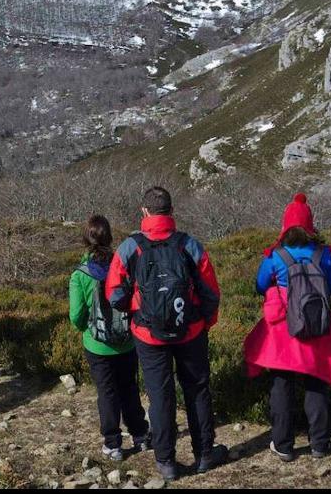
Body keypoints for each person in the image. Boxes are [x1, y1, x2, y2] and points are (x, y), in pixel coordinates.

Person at [105, 187, 227, 481]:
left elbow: (113, 293)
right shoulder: (189, 245)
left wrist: (136, 308)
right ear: (172, 211)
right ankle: (204, 454)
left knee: (160, 396)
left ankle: (167, 461)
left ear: (144, 212)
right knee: (197, 389)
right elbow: (211, 290)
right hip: (191, 330)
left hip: (149, 336)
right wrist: (206, 321)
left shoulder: (129, 247)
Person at [243, 193, 331, 462]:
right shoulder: (323, 254)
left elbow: (260, 285)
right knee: (316, 382)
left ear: (285, 224)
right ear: (310, 224)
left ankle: (283, 445)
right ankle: (319, 444)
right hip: (316, 326)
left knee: (281, 384)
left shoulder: (276, 255)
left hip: (284, 329)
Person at [70, 216, 150, 462]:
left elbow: (76, 316)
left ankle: (113, 444)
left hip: (97, 345)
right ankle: (139, 435)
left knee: (107, 392)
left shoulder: (80, 275)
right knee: (129, 387)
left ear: (86, 240)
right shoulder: (122, 265)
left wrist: (89, 329)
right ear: (110, 239)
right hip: (127, 341)